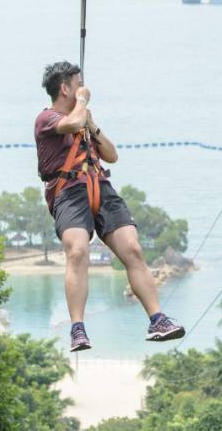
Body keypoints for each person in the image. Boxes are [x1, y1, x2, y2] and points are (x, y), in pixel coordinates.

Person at [35, 61, 185, 350]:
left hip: (99, 186)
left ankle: (157, 319)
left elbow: (111, 155)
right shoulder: (47, 119)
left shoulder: (84, 120)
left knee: (133, 248)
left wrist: (94, 125)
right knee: (78, 251)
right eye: (78, 83)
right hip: (69, 191)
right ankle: (78, 328)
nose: (84, 88)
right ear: (65, 88)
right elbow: (72, 123)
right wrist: (81, 103)